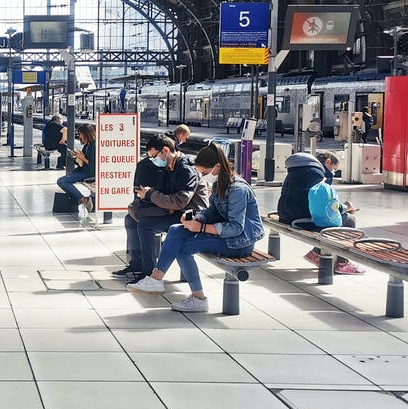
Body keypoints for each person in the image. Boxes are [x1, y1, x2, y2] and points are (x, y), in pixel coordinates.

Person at [127, 143, 264, 313]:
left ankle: (198, 298)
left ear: (218, 167)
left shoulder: (238, 189)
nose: (203, 176)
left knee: (182, 249)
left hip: (239, 242)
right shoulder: (219, 184)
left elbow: (235, 228)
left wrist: (201, 227)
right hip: (224, 235)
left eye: (205, 173)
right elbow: (212, 210)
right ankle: (156, 279)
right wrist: (196, 217)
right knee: (176, 229)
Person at [115, 135, 209, 282]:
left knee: (146, 225)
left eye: (155, 156)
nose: (153, 160)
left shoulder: (186, 169)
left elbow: (181, 201)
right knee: (131, 220)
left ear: (165, 150)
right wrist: (147, 193)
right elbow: (164, 191)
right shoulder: (168, 167)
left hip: (191, 216)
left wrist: (151, 195)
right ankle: (138, 263)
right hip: (174, 210)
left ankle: (149, 275)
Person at [277, 151, 363, 274]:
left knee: (340, 219)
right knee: (349, 220)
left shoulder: (299, 169)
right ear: (328, 162)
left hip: (286, 214)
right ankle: (342, 263)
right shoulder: (316, 174)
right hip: (300, 218)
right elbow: (322, 207)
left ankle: (316, 253)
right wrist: (344, 208)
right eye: (334, 168)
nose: (333, 172)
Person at [56, 123, 96, 212]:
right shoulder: (87, 145)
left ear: (86, 134)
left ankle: (83, 199)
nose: (80, 136)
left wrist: (82, 158)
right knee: (62, 180)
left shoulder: (94, 146)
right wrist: (77, 157)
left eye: (81, 134)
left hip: (88, 172)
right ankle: (81, 199)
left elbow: (94, 164)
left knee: (62, 181)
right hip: (83, 170)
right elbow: (83, 162)